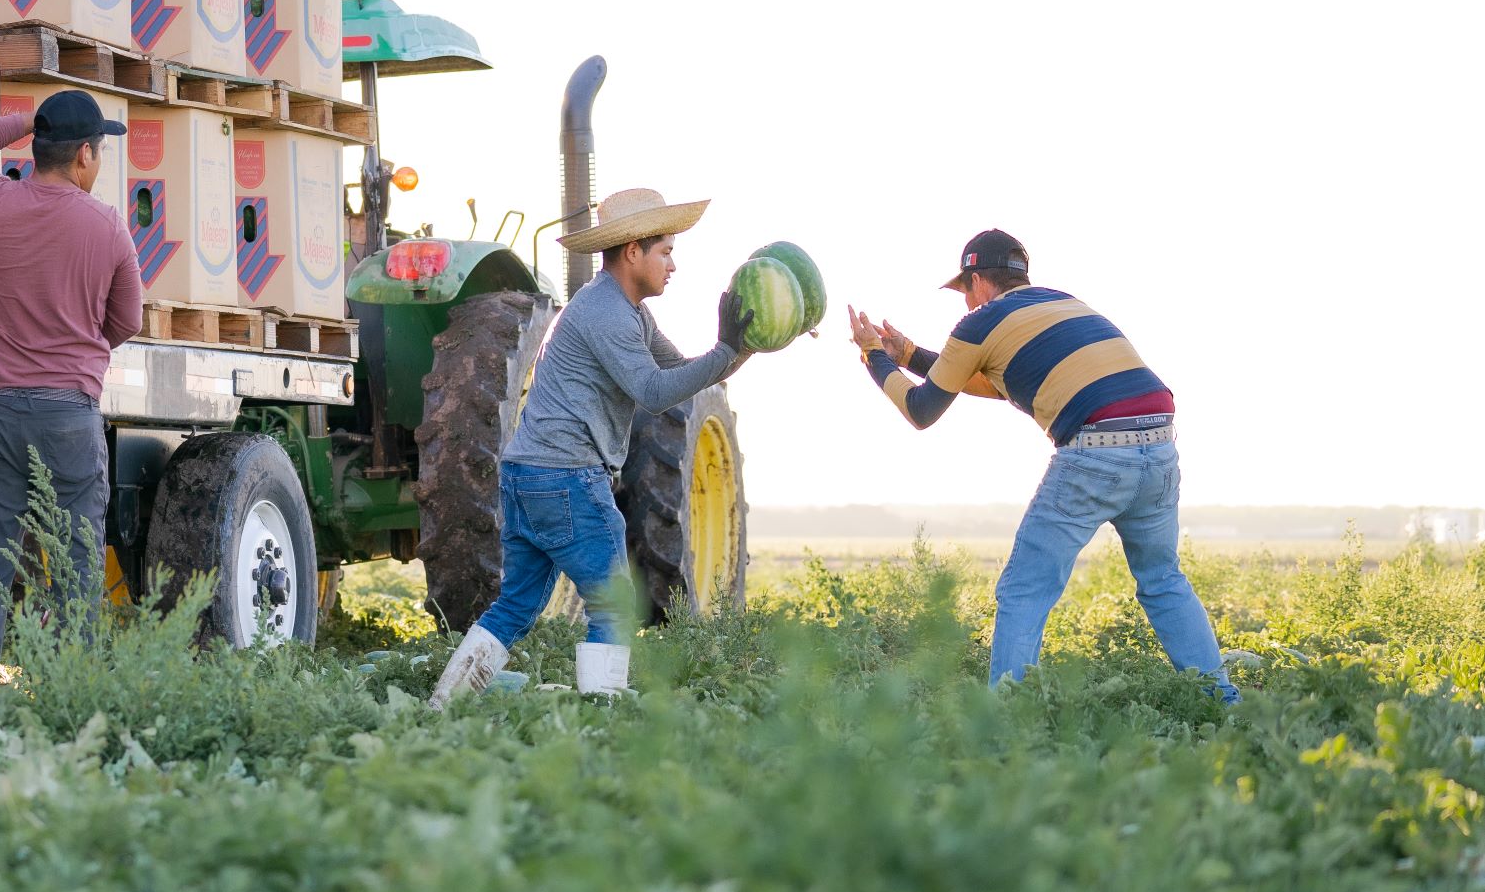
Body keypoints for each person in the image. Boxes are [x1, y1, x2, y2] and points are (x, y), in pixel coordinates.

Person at [847, 229, 1237, 702]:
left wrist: (873, 358)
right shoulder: (1062, 303)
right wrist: (907, 355)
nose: (965, 304)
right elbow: (995, 383)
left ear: (977, 281)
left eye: (964, 292)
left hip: (1097, 451)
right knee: (1162, 579)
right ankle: (1224, 704)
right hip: (1159, 444)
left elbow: (922, 412)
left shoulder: (981, 323)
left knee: (1024, 590)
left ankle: (1008, 720)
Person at [429, 188, 754, 707]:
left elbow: (678, 372)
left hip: (527, 476)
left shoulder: (626, 311)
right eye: (666, 251)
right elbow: (651, 394)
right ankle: (600, 721)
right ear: (633, 252)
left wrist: (742, 349)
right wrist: (725, 351)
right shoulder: (608, 313)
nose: (674, 265)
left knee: (514, 607)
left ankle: (443, 705)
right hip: (567, 478)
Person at [0, 89, 143, 690]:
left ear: (39, 146)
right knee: (78, 560)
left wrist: (28, 121)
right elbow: (126, 321)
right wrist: (80, 338)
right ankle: (70, 687)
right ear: (84, 155)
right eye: (100, 153)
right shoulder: (106, 225)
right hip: (70, 421)